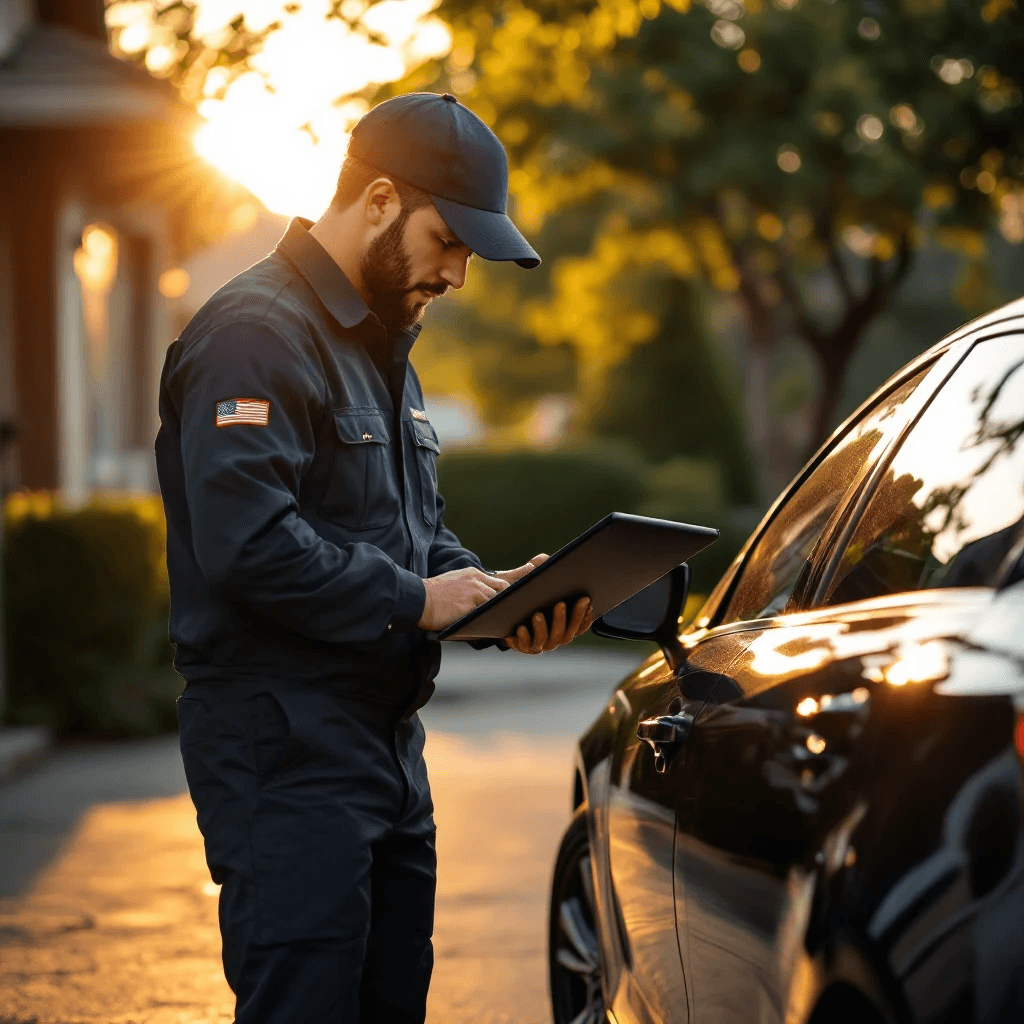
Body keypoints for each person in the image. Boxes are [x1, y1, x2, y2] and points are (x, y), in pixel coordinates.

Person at [155, 92, 593, 1024]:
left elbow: (410, 534)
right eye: (451, 240)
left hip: (387, 749)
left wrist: (492, 598)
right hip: (281, 745)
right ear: (383, 199)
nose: (460, 274)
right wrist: (418, 600)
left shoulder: (387, 345)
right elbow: (248, 544)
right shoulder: (254, 335)